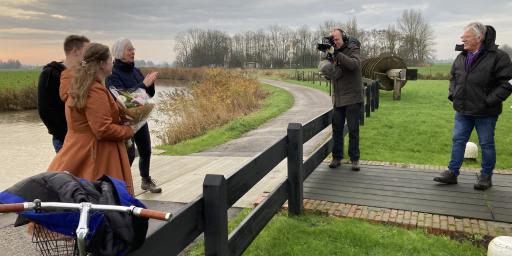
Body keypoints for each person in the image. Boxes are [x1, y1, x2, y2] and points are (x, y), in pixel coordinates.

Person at [47, 43, 136, 195]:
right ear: (101, 64)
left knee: (71, 198)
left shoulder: (81, 85)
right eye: (110, 59)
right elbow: (103, 129)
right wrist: (128, 130)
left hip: (76, 149)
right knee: (97, 200)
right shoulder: (94, 90)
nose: (112, 62)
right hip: (96, 155)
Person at [434, 22, 512, 190]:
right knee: (458, 140)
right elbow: (453, 77)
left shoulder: (499, 57)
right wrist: (452, 94)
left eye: (466, 37)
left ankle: (486, 176)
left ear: (479, 38)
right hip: (462, 110)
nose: (463, 39)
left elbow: (506, 84)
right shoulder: (461, 56)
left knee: (486, 144)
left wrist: (488, 101)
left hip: (486, 112)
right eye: (463, 37)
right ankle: (452, 173)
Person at [106, 38, 162, 193]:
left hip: (140, 119)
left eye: (133, 49)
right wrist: (144, 85)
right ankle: (120, 187)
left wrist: (150, 84)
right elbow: (123, 100)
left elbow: (148, 94)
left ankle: (146, 180)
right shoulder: (112, 74)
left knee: (146, 150)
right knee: (128, 155)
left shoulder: (135, 70)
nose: (133, 52)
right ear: (119, 53)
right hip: (123, 122)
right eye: (129, 50)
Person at [37, 35, 90, 152]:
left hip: (86, 139)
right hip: (65, 140)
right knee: (69, 171)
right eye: (87, 51)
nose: (90, 56)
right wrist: (66, 137)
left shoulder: (85, 73)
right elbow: (45, 111)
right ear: (75, 51)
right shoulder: (50, 74)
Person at [321, 28, 363, 171]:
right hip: (338, 98)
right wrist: (327, 70)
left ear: (343, 38)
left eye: (337, 39)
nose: (335, 42)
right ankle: (337, 157)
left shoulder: (353, 48)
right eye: (333, 40)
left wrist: (337, 54)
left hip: (352, 97)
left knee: (353, 130)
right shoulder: (332, 53)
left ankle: (355, 159)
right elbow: (332, 74)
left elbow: (354, 65)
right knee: (336, 129)